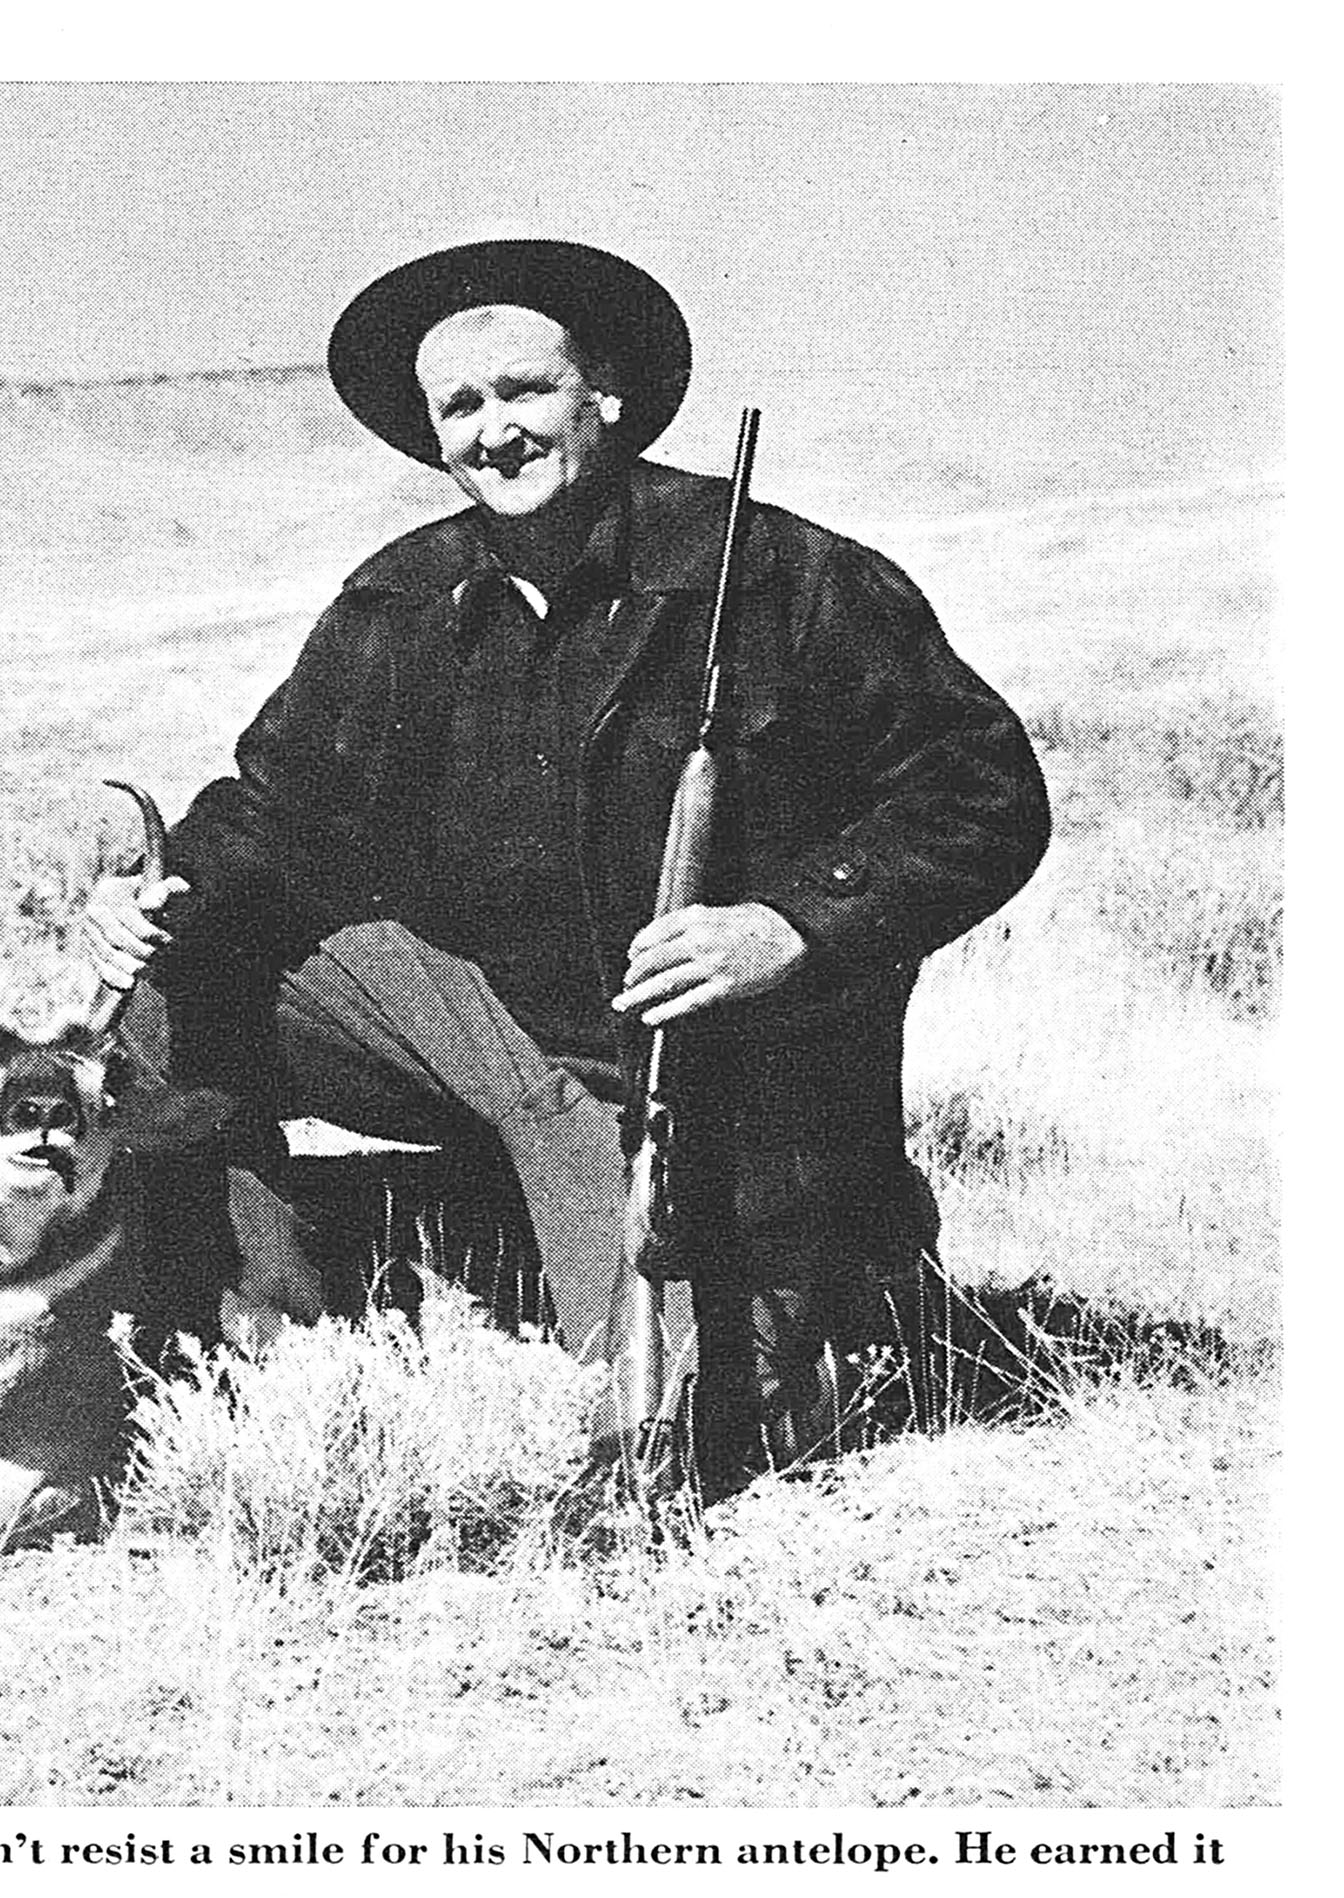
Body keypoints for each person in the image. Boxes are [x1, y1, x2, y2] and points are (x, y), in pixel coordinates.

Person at [85, 239, 1049, 1502]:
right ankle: (248, 1340)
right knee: (175, 983)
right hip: (486, 1035)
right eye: (460, 408)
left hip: (707, 1087)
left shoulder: (783, 574)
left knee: (695, 1439)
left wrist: (790, 925)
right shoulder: (398, 598)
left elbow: (979, 790)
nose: (496, 431)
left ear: (604, 396)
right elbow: (278, 810)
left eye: (524, 391)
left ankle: (813, 1262)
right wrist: (156, 898)